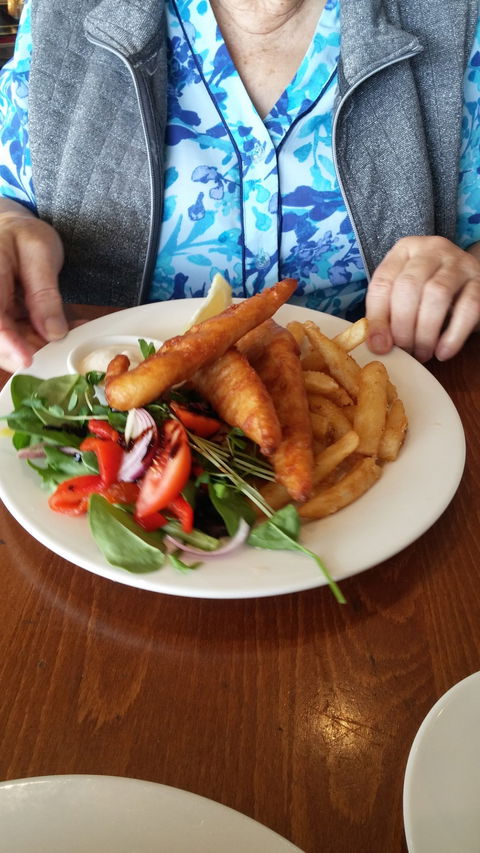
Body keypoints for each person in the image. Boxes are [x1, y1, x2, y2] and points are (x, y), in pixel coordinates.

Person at [0, 0, 479, 375]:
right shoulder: (60, 14)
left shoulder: (457, 19)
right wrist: (10, 224)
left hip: (402, 398)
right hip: (106, 418)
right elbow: (11, 197)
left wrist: (469, 270)